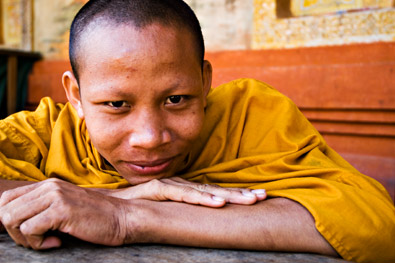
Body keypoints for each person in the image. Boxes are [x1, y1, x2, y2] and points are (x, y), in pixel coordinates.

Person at [0, 0, 393, 262]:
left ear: (205, 83)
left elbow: (376, 226)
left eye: (176, 100)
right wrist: (96, 196)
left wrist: (128, 215)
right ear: (77, 95)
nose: (151, 137)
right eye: (116, 105)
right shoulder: (48, 132)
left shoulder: (249, 116)